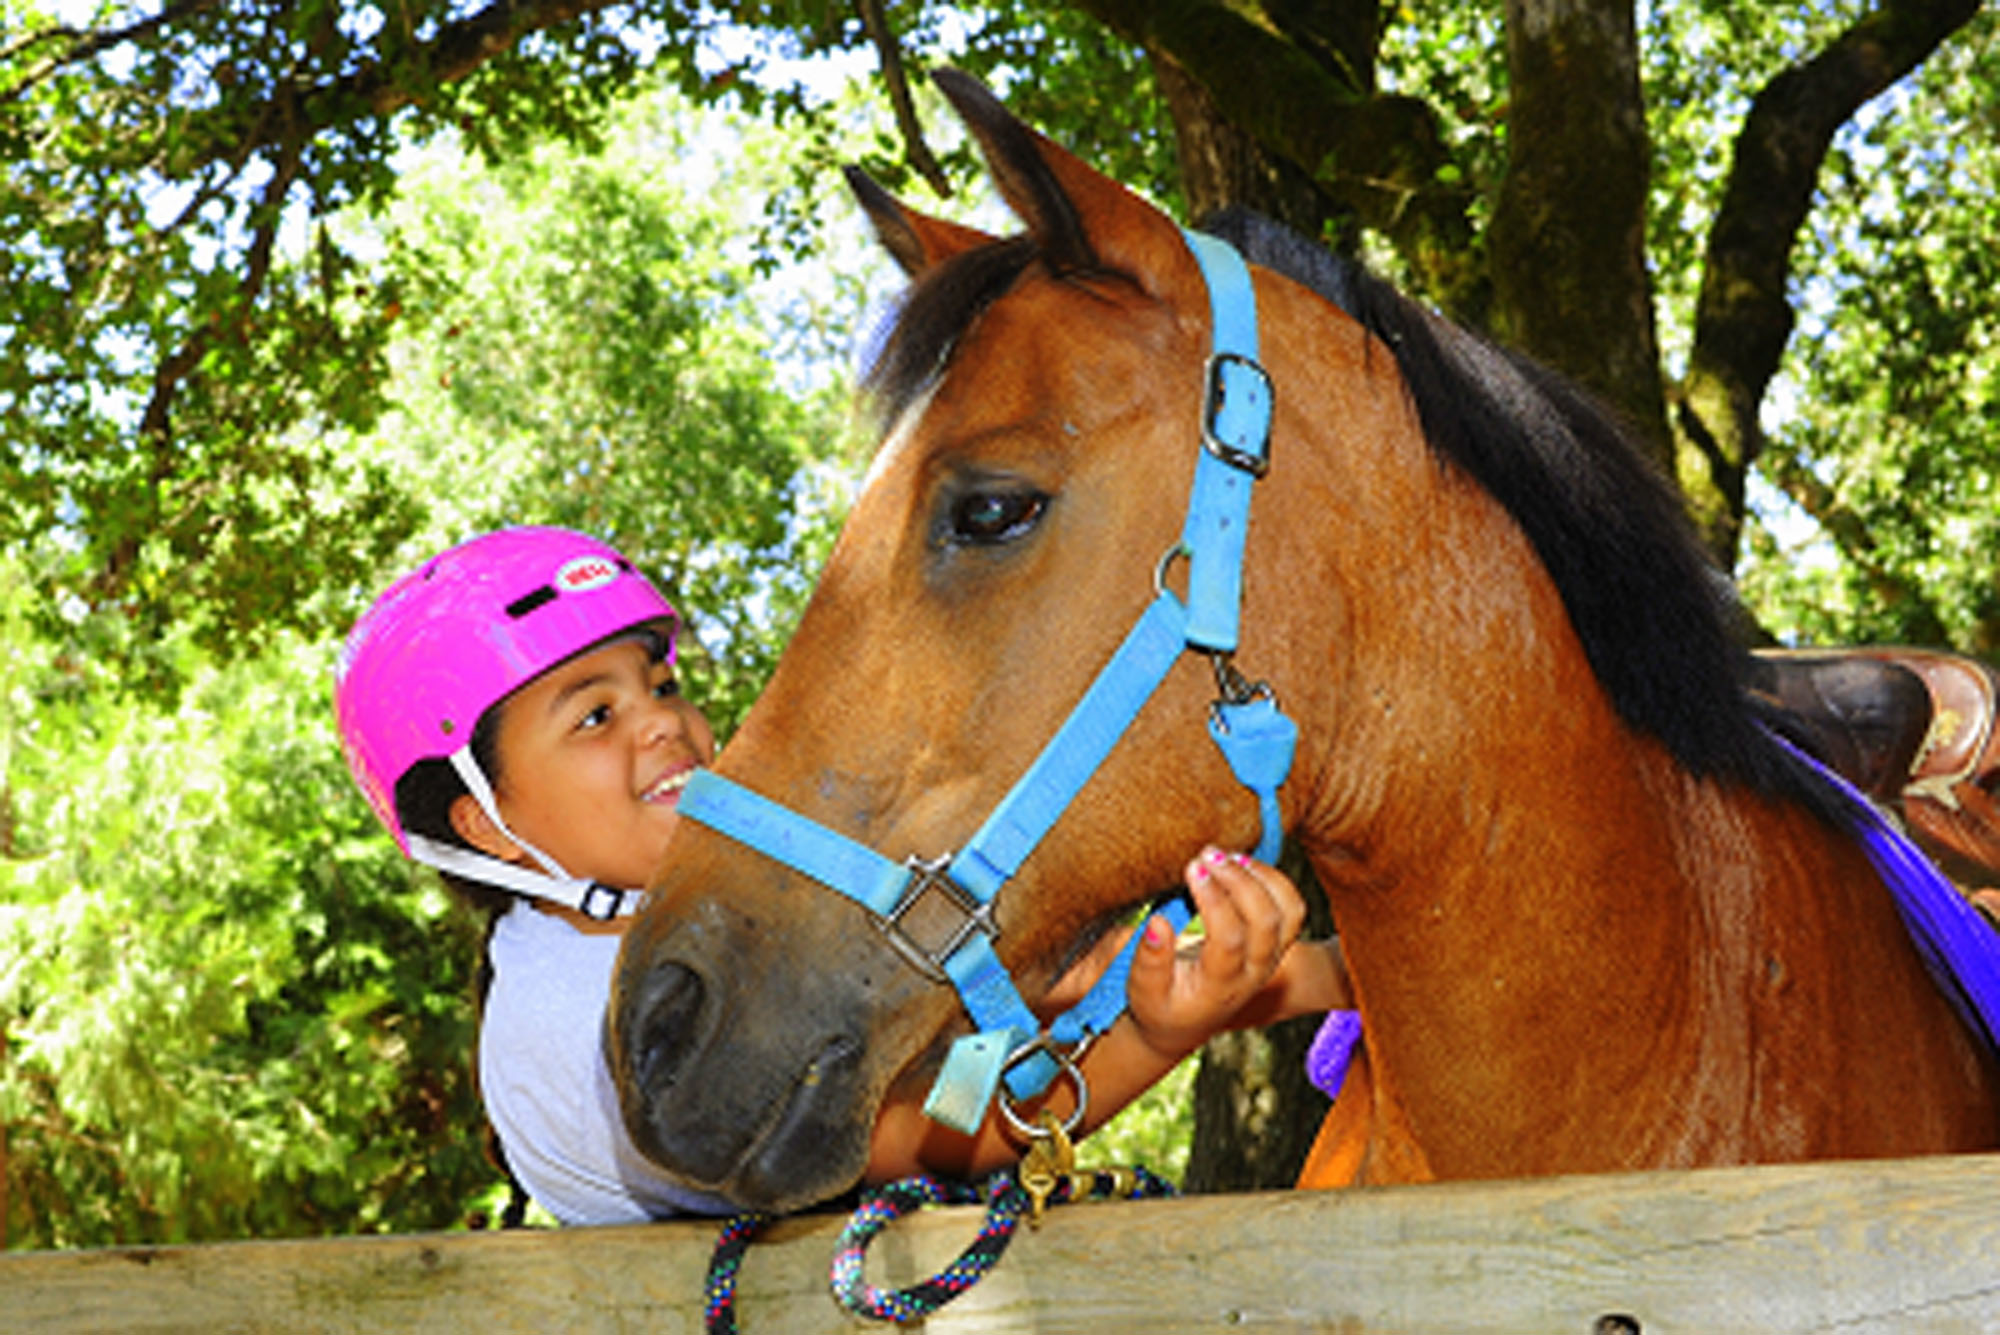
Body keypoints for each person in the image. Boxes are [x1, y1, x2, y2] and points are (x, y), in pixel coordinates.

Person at [334, 525, 1352, 1225]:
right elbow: (938, 1137)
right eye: (594, 716)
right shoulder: (584, 1024)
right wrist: (1152, 1034)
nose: (663, 722)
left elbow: (962, 1035)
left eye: (660, 683)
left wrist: (1293, 979)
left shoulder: (698, 931)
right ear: (489, 822)